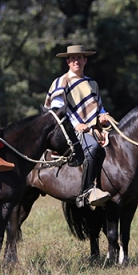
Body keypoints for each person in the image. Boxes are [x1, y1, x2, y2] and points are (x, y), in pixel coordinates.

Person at [44, 44, 111, 207]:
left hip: (91, 128)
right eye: (73, 58)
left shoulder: (92, 83)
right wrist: (75, 125)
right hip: (67, 131)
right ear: (68, 61)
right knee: (92, 147)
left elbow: (98, 106)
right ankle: (86, 192)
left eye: (79, 58)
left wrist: (103, 115)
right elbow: (56, 111)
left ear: (85, 60)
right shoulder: (62, 81)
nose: (76, 61)